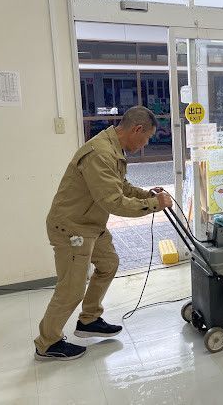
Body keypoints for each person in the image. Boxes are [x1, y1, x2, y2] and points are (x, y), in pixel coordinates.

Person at [34, 106, 172, 361]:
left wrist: (147, 195)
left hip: (90, 225)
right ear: (137, 129)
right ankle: (47, 342)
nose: (146, 144)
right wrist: (154, 204)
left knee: (109, 263)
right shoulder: (100, 153)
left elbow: (121, 187)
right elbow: (114, 202)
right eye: (147, 138)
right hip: (72, 227)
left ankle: (89, 320)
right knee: (72, 288)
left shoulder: (113, 148)